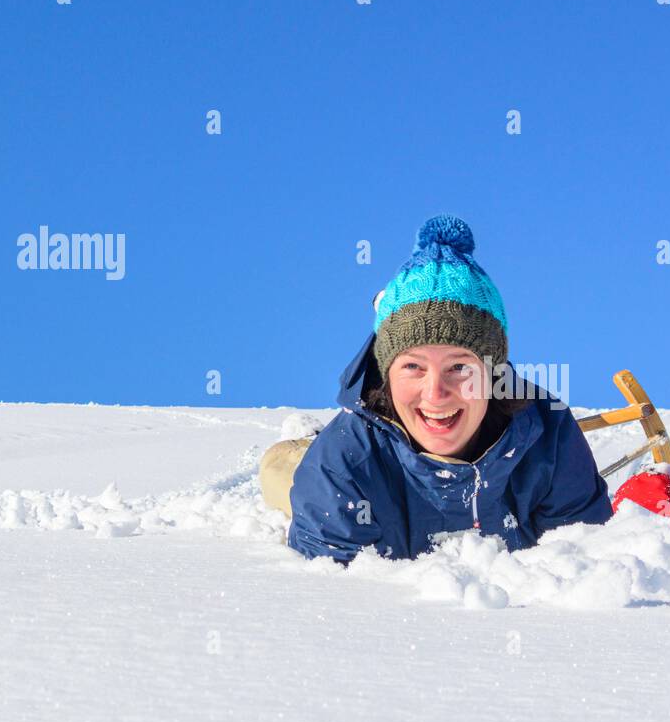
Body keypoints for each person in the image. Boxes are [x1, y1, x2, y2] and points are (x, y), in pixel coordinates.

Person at [262, 215, 612, 563]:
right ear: (387, 374)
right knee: (285, 471)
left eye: (459, 367)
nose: (436, 393)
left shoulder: (547, 435)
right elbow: (339, 601)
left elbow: (581, 568)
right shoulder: (343, 463)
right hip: (330, 469)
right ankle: (299, 448)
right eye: (413, 366)